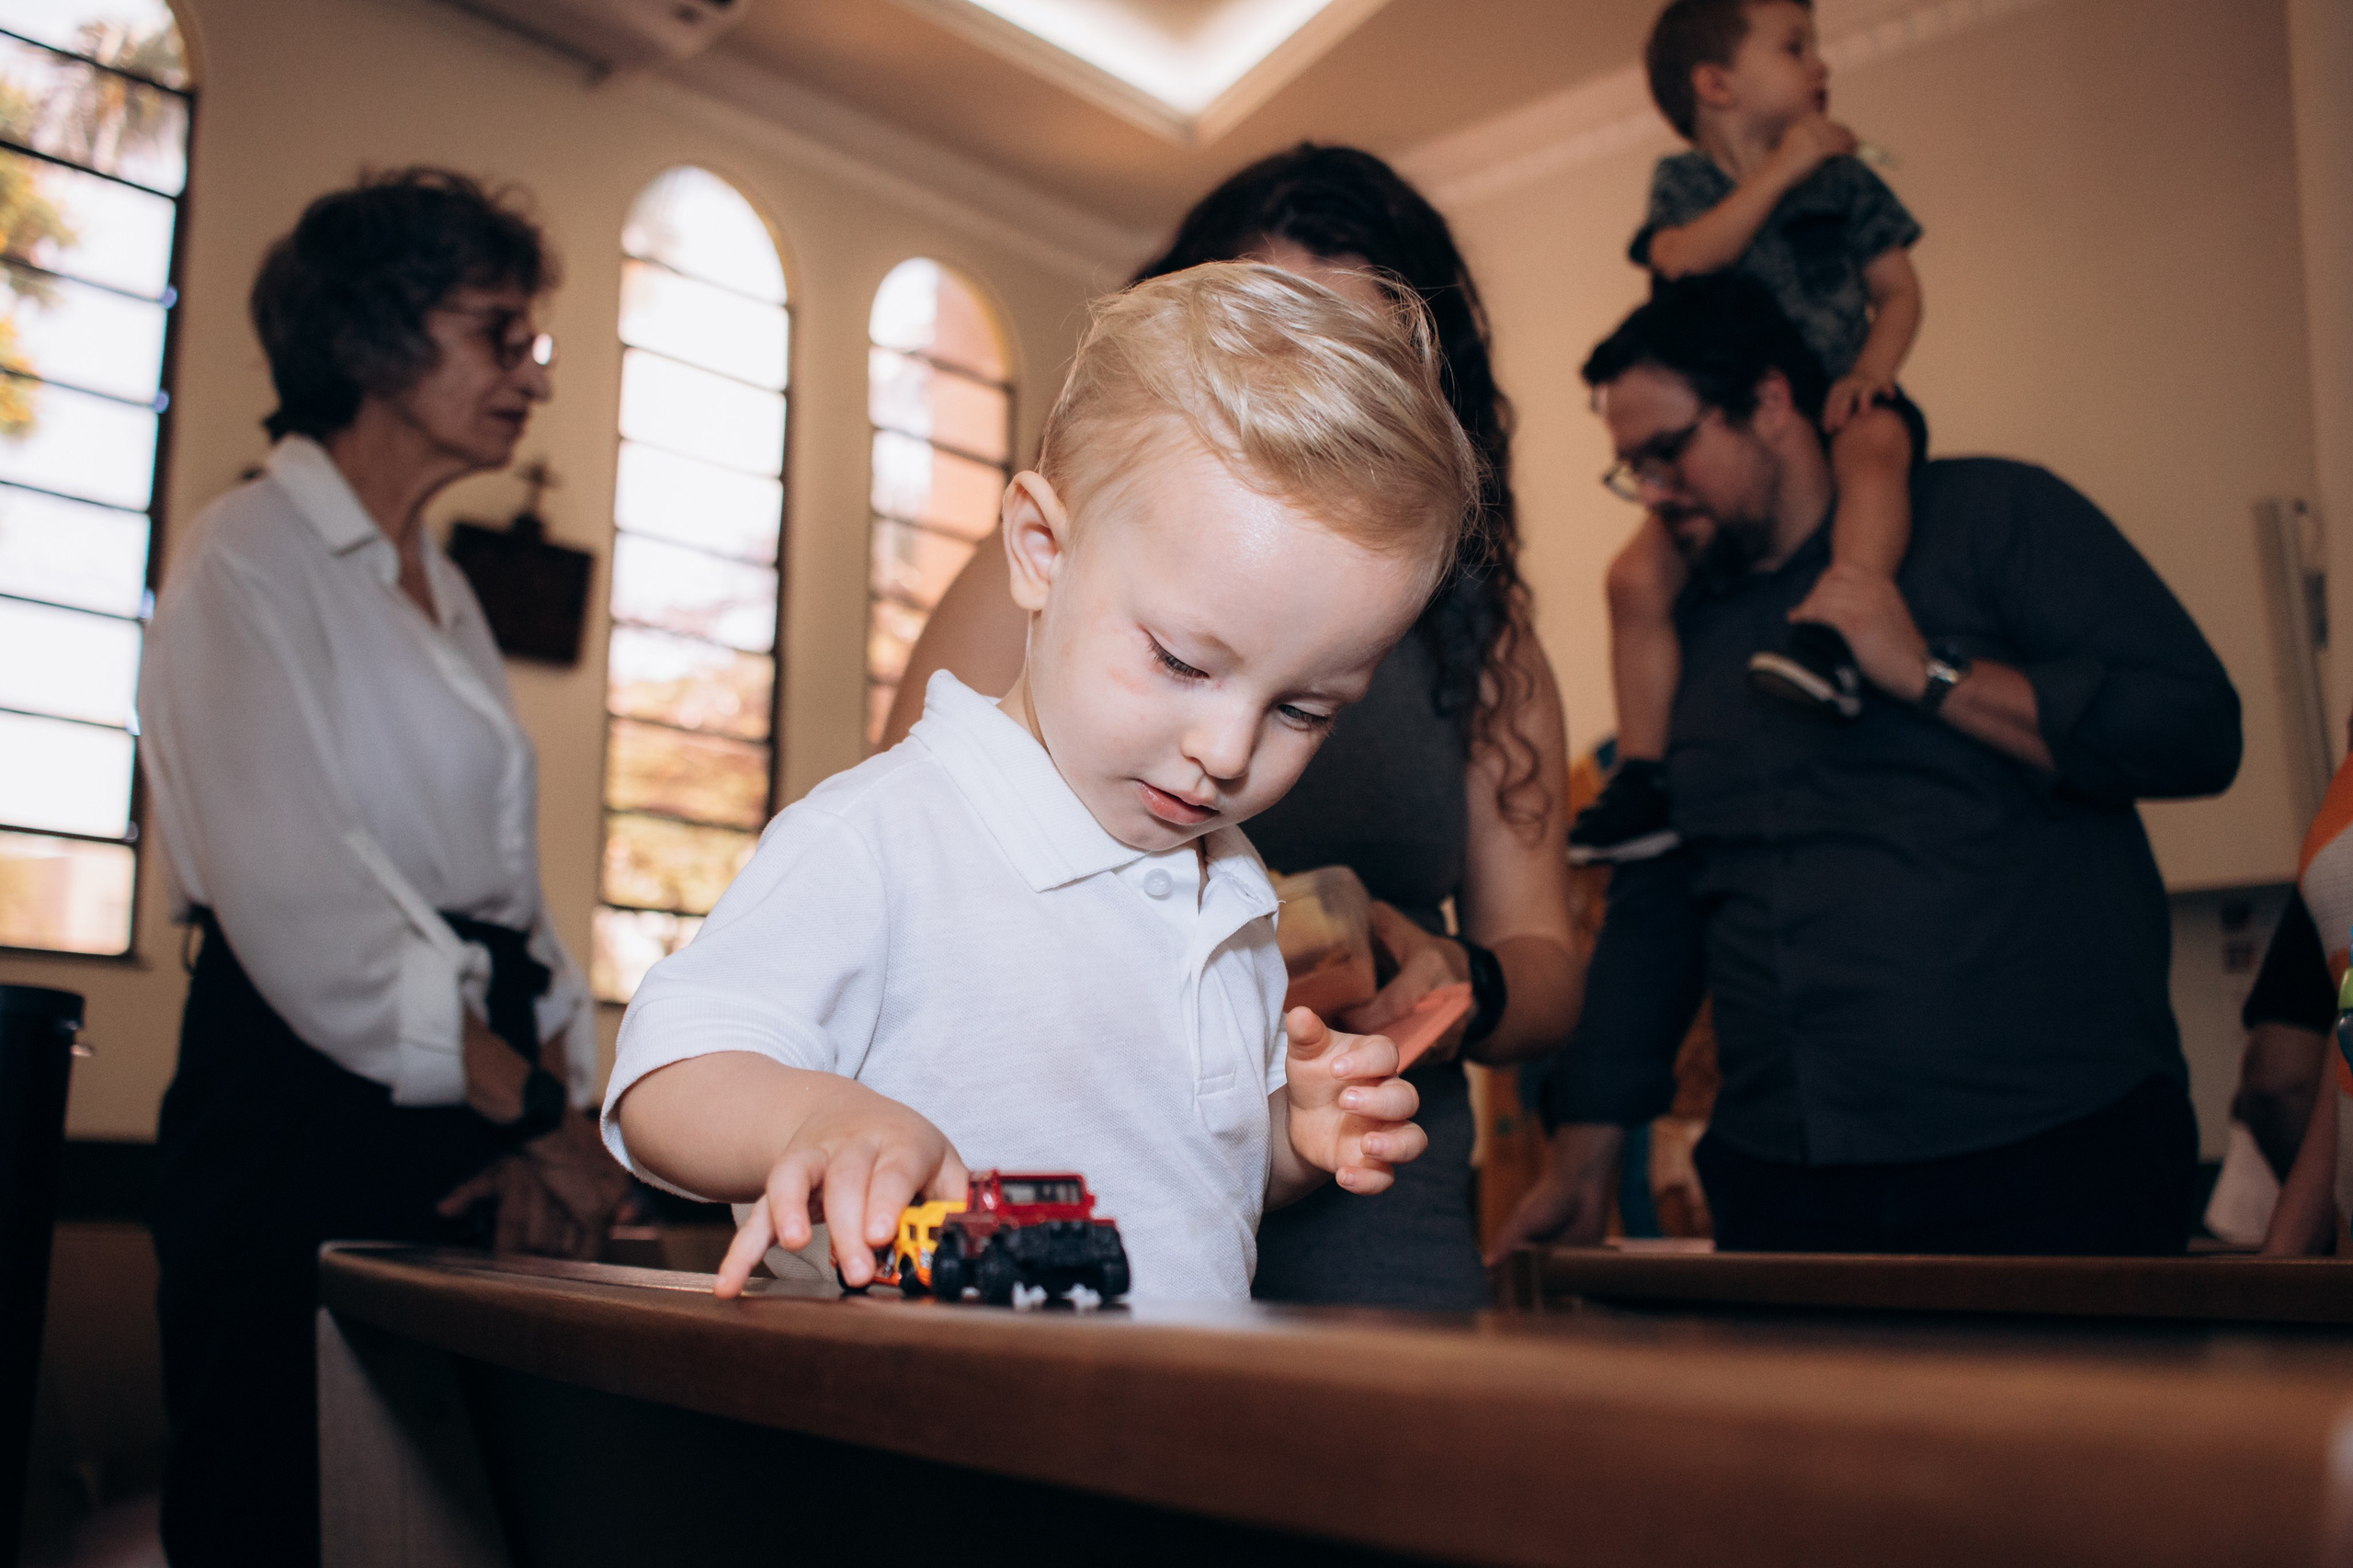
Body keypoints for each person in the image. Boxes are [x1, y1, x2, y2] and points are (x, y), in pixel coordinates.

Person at [604, 262, 1480, 1303]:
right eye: (1183, 662)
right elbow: (664, 1074)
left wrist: (1294, 1136)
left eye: (1303, 709)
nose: (1230, 749)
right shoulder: (888, 833)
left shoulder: (1230, 896)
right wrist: (810, 1119)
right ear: (1039, 550)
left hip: (1158, 1441)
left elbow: (1188, 1191)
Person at [880, 144, 1580, 1311]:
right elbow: (914, 846)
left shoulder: (1487, 644)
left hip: (1364, 1185)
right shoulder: (1059, 575)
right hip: (1081, 1176)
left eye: (1305, 707)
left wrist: (1455, 976)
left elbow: (1548, 965)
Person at [1491, 275, 2241, 1260]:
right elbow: (1661, 904)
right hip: (1786, 1190)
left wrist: (1926, 670)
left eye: (1669, 452)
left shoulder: (1992, 513)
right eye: (1632, 468)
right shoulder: (1682, 632)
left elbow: (2193, 729)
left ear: (1770, 403)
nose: (1655, 494)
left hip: (2052, 1159)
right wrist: (1579, 1164)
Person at [138, 169, 634, 1568]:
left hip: (472, 1092)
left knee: (443, 1509)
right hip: (300, 1092)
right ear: (370, 340)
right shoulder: (246, 555)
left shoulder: (444, 578)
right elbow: (313, 918)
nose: (533, 374)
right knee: (279, 1496)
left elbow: (507, 880)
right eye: (498, 333)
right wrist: (532, 1109)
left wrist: (571, 1106)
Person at [1572, 0, 1926, 864]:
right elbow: (1684, 259)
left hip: (1839, 394)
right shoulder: (1684, 185)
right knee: (1633, 579)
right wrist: (1782, 170)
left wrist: (1875, 369)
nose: (1820, 66)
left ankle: (1836, 635)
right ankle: (1646, 778)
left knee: (1877, 455)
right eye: (1796, 47)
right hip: (1733, 404)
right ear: (1716, 84)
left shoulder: (1847, 184)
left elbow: (1901, 291)